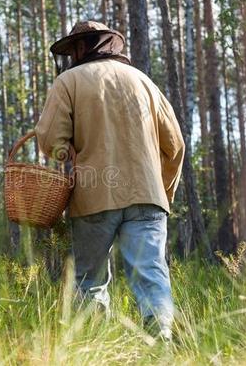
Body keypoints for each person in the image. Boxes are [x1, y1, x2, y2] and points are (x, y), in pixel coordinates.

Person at [35, 21, 185, 341]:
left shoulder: (68, 81)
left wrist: (71, 155)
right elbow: (175, 146)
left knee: (89, 281)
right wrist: (163, 192)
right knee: (151, 276)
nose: (71, 55)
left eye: (73, 48)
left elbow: (49, 139)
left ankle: (96, 349)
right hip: (147, 194)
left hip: (93, 196)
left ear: (83, 47)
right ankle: (162, 344)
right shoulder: (145, 82)